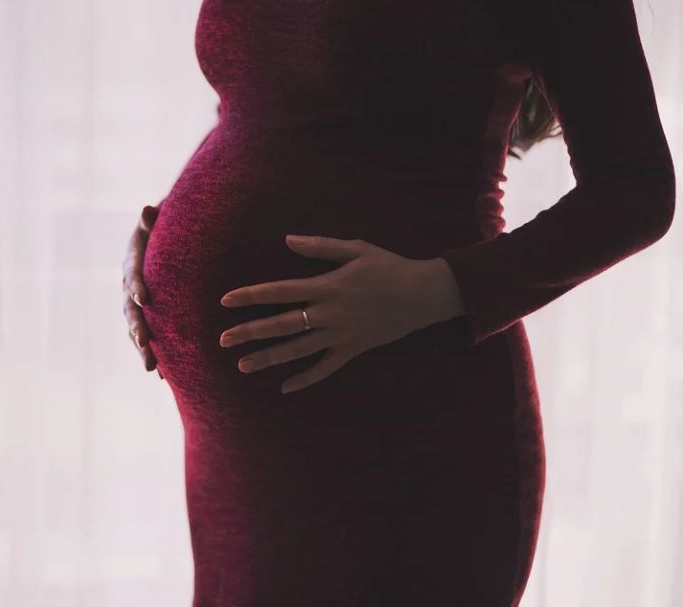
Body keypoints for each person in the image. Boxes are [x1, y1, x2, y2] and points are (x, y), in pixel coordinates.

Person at [121, 0, 675, 604]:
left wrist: (435, 288)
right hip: (237, 456)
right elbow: (270, 110)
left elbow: (636, 189)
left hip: (403, 429)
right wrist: (165, 236)